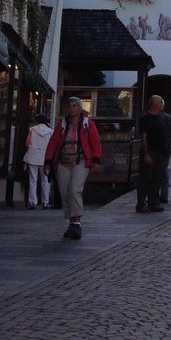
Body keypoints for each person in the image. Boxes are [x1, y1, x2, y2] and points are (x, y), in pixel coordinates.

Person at [45, 96, 103, 239]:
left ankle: (77, 222)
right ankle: (71, 222)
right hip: (63, 161)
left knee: (74, 189)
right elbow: (53, 142)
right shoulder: (63, 124)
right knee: (65, 191)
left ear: (80, 107)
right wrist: (48, 160)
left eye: (74, 106)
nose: (71, 108)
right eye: (69, 106)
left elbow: (95, 141)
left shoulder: (87, 124)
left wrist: (96, 159)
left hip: (81, 160)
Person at [135, 95, 171, 213]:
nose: (162, 105)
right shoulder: (146, 118)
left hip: (161, 153)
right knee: (145, 178)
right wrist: (146, 154)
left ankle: (153, 202)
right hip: (150, 152)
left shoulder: (162, 118)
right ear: (155, 104)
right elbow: (143, 137)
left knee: (157, 178)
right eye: (161, 102)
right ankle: (141, 203)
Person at [23, 113, 53, 210]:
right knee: (45, 180)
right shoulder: (50, 131)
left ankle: (32, 202)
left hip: (33, 156)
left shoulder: (32, 130)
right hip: (45, 158)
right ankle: (45, 202)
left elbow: (27, 143)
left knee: (33, 180)